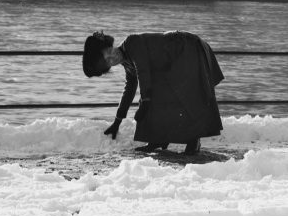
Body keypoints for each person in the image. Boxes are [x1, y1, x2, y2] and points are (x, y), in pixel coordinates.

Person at [83, 30, 224, 155]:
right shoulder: (127, 63)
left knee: (186, 94)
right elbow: (129, 89)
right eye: (108, 62)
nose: (111, 59)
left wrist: (145, 102)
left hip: (186, 47)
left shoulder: (132, 42)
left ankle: (194, 140)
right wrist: (117, 121)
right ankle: (158, 139)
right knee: (157, 94)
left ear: (109, 45)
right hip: (175, 59)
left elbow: (143, 72)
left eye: (108, 53)